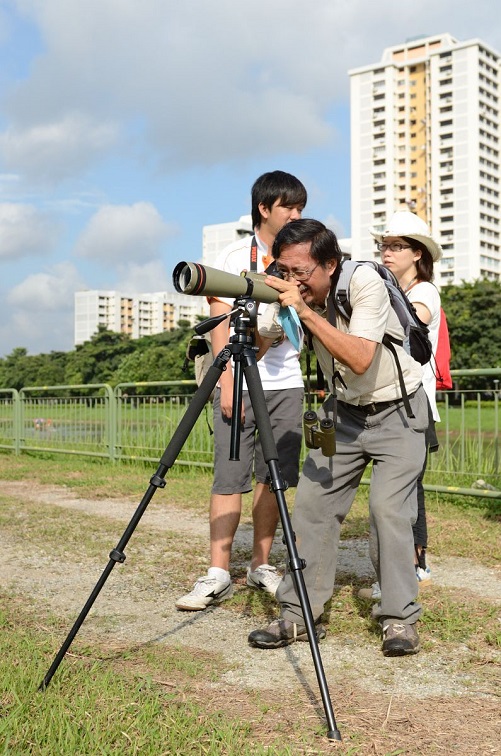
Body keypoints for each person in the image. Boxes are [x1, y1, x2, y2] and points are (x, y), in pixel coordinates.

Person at [248, 218, 428, 656]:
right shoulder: (292, 290)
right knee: (311, 506)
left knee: (388, 510)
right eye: (283, 271)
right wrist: (265, 304)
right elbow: (261, 342)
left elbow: (361, 358)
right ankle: (296, 614)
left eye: (300, 272)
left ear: (330, 263)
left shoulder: (364, 282)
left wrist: (304, 310)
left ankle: (399, 618)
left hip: (397, 410)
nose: (292, 281)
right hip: (342, 414)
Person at [176, 170, 307, 611]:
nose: (296, 214)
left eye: (300, 207)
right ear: (264, 209)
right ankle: (217, 571)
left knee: (274, 477)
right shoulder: (234, 253)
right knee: (229, 473)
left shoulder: (300, 254)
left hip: (286, 381)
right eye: (288, 206)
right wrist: (227, 380)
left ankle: (261, 564)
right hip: (238, 377)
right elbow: (218, 320)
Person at [359, 212, 443, 601]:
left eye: (397, 246)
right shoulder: (387, 288)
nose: (387, 253)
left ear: (417, 253)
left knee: (406, 489)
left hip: (415, 399)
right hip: (389, 397)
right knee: (402, 488)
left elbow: (413, 324)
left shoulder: (425, 291)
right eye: (384, 246)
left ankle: (412, 564)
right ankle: (407, 564)